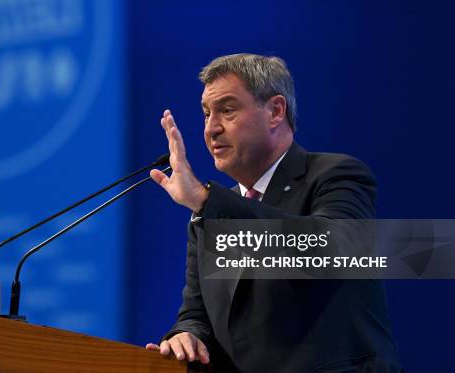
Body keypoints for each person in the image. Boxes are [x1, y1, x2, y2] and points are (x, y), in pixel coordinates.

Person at [145, 54, 401, 372]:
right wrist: (187, 335)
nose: (211, 129)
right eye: (206, 114)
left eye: (226, 110)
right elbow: (197, 314)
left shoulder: (336, 175)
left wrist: (209, 202)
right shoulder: (211, 212)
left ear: (276, 111)